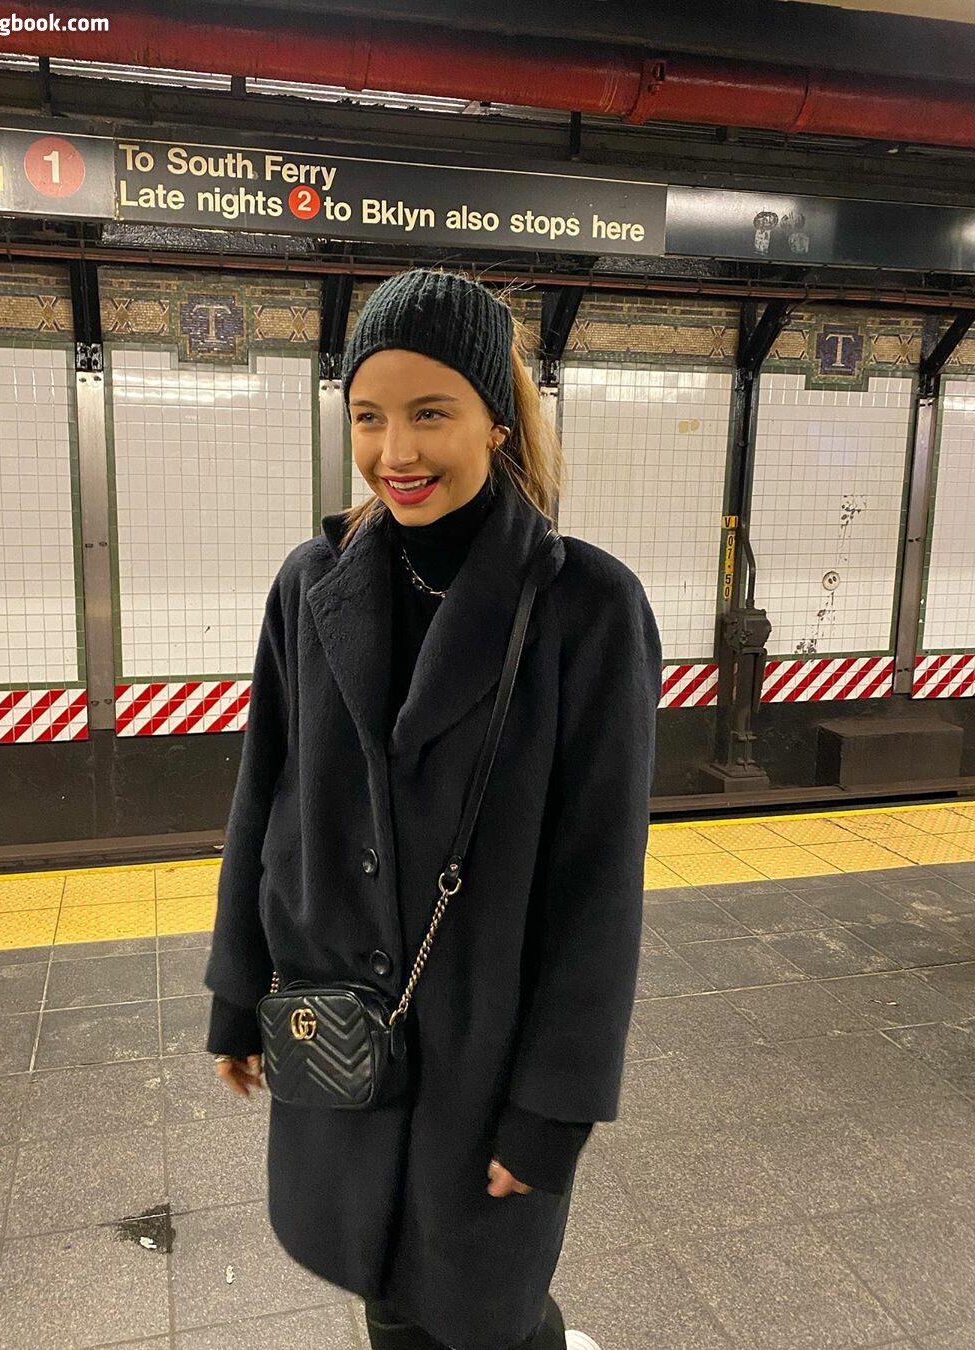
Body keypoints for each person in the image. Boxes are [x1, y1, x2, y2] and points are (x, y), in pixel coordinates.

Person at [204, 267, 662, 1350]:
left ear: (495, 421)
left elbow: (598, 881)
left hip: (484, 1048)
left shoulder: (585, 606)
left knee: (484, 1305)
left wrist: (556, 1105)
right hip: (338, 1025)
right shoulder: (312, 583)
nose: (394, 451)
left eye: (429, 413)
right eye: (368, 416)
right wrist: (237, 993)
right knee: (384, 1285)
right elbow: (262, 796)